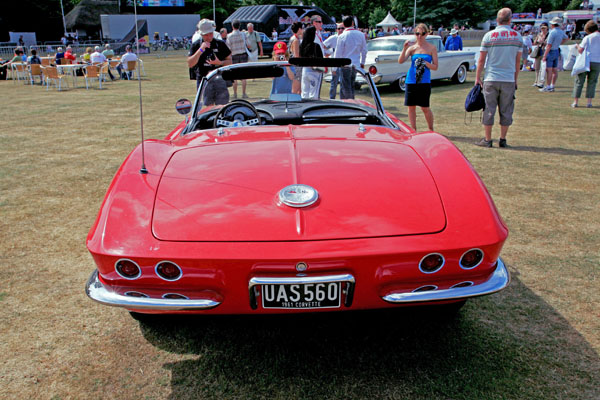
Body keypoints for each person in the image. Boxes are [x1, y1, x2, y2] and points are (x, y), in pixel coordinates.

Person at [475, 8, 522, 148]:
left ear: (497, 20)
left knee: (489, 109)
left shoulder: (489, 36)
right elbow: (517, 61)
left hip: (491, 77)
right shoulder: (517, 36)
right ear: (510, 19)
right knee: (506, 110)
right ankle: (502, 139)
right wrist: (515, 79)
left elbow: (482, 60)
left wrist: (478, 77)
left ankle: (488, 139)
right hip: (508, 78)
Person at [398, 23, 438, 131]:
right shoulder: (412, 48)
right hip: (411, 80)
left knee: (425, 107)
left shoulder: (431, 48)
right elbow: (401, 61)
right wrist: (404, 48)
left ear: (426, 34)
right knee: (411, 107)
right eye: (417, 34)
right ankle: (413, 130)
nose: (419, 36)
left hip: (424, 81)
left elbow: (435, 67)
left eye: (422, 34)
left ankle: (431, 129)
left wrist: (425, 63)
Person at [187, 19, 232, 104]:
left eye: (211, 34)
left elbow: (230, 61)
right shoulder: (196, 45)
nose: (209, 37)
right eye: (206, 35)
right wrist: (200, 50)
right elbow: (190, 63)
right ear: (201, 34)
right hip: (204, 79)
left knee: (222, 106)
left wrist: (220, 63)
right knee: (208, 107)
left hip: (219, 78)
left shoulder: (220, 44)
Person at [334, 16, 367, 100]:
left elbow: (337, 53)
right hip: (356, 65)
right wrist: (362, 63)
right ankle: (349, 102)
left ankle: (348, 103)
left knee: (345, 87)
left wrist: (334, 68)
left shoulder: (342, 36)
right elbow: (364, 50)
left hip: (345, 65)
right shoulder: (361, 34)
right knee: (350, 86)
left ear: (344, 24)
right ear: (353, 23)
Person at [571, 20, 600, 108]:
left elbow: (581, 50)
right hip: (597, 61)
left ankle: (576, 101)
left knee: (579, 81)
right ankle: (589, 102)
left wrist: (577, 46)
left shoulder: (587, 37)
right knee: (592, 82)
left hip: (586, 61)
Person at [540, 17, 568, 92]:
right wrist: (559, 43)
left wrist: (545, 55)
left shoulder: (552, 32)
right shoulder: (561, 31)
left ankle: (548, 86)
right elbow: (566, 38)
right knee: (554, 70)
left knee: (549, 70)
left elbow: (549, 45)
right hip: (556, 50)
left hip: (551, 51)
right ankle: (552, 85)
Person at [300, 25, 324, 99]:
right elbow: (321, 59)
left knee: (304, 93)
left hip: (305, 70)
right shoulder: (315, 46)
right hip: (315, 71)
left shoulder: (301, 46)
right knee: (314, 94)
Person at [227, 19, 249, 99]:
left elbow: (228, 48)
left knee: (234, 76)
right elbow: (248, 45)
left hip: (234, 55)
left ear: (232, 26)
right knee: (243, 76)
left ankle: (235, 93)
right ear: (239, 26)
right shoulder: (243, 34)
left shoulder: (229, 36)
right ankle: (244, 93)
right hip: (243, 55)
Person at [324, 23, 344, 99]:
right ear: (336, 30)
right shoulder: (333, 38)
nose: (341, 30)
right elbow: (322, 46)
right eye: (339, 29)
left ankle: (343, 101)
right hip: (335, 63)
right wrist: (331, 51)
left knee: (344, 84)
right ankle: (331, 100)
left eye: (342, 28)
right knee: (334, 83)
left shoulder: (346, 37)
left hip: (345, 64)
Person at [288, 21, 303, 94]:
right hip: (297, 66)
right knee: (296, 89)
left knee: (298, 89)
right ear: (299, 29)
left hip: (294, 65)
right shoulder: (296, 40)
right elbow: (296, 55)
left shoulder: (293, 38)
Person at [532, 23, 549, 87]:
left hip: (544, 51)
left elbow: (546, 43)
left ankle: (541, 81)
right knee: (537, 67)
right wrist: (538, 41)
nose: (543, 29)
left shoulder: (548, 35)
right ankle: (536, 81)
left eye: (544, 28)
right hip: (538, 51)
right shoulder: (539, 34)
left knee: (543, 68)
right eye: (542, 28)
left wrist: (541, 42)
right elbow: (535, 42)